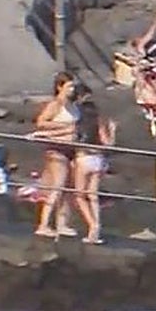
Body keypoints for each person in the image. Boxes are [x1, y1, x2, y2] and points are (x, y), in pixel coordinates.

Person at [33, 71, 80, 237]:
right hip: (57, 149)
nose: (72, 90)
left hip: (72, 150)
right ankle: (43, 224)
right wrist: (64, 128)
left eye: (73, 86)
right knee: (57, 186)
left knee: (67, 188)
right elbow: (41, 122)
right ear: (60, 87)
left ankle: (62, 224)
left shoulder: (73, 105)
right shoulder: (55, 105)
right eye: (69, 86)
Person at [71, 85, 117, 245]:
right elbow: (108, 143)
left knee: (79, 195)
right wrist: (113, 131)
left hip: (83, 157)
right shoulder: (99, 121)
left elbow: (73, 139)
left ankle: (92, 224)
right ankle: (97, 226)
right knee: (93, 194)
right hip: (98, 159)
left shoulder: (77, 122)